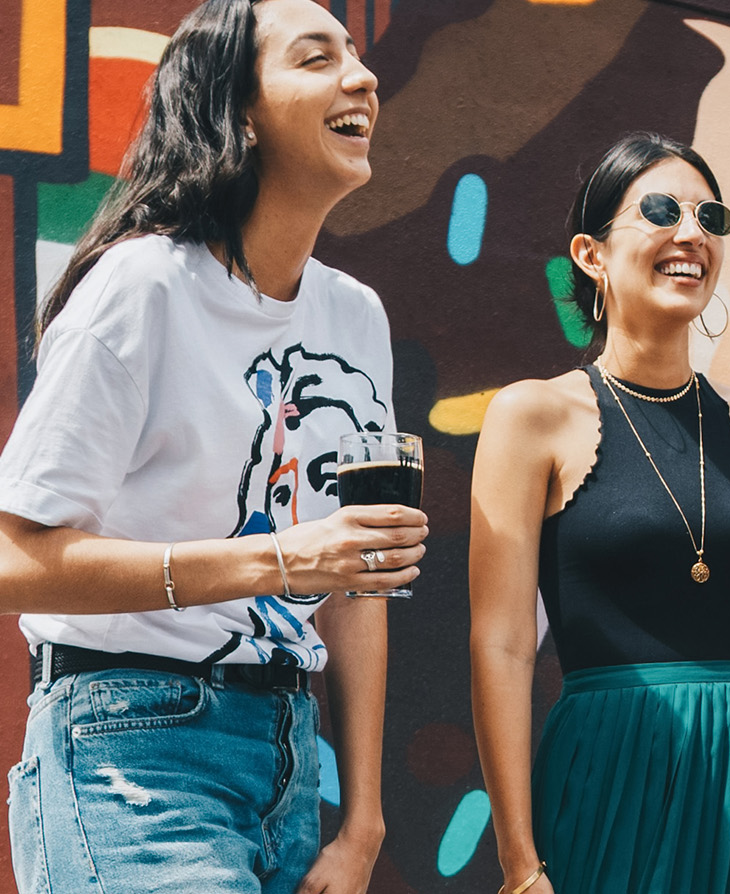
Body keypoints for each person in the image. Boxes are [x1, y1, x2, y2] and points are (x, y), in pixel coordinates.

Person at [0, 1, 423, 892]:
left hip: (286, 757)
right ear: (239, 113)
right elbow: (12, 562)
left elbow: (355, 586)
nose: (363, 77)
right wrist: (278, 560)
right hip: (129, 744)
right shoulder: (142, 286)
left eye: (355, 55)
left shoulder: (354, 316)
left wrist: (364, 823)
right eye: (316, 59)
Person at [469, 132, 730, 894]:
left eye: (709, 217)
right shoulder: (532, 416)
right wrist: (519, 863)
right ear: (591, 254)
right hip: (611, 770)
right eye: (660, 211)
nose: (691, 233)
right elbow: (502, 646)